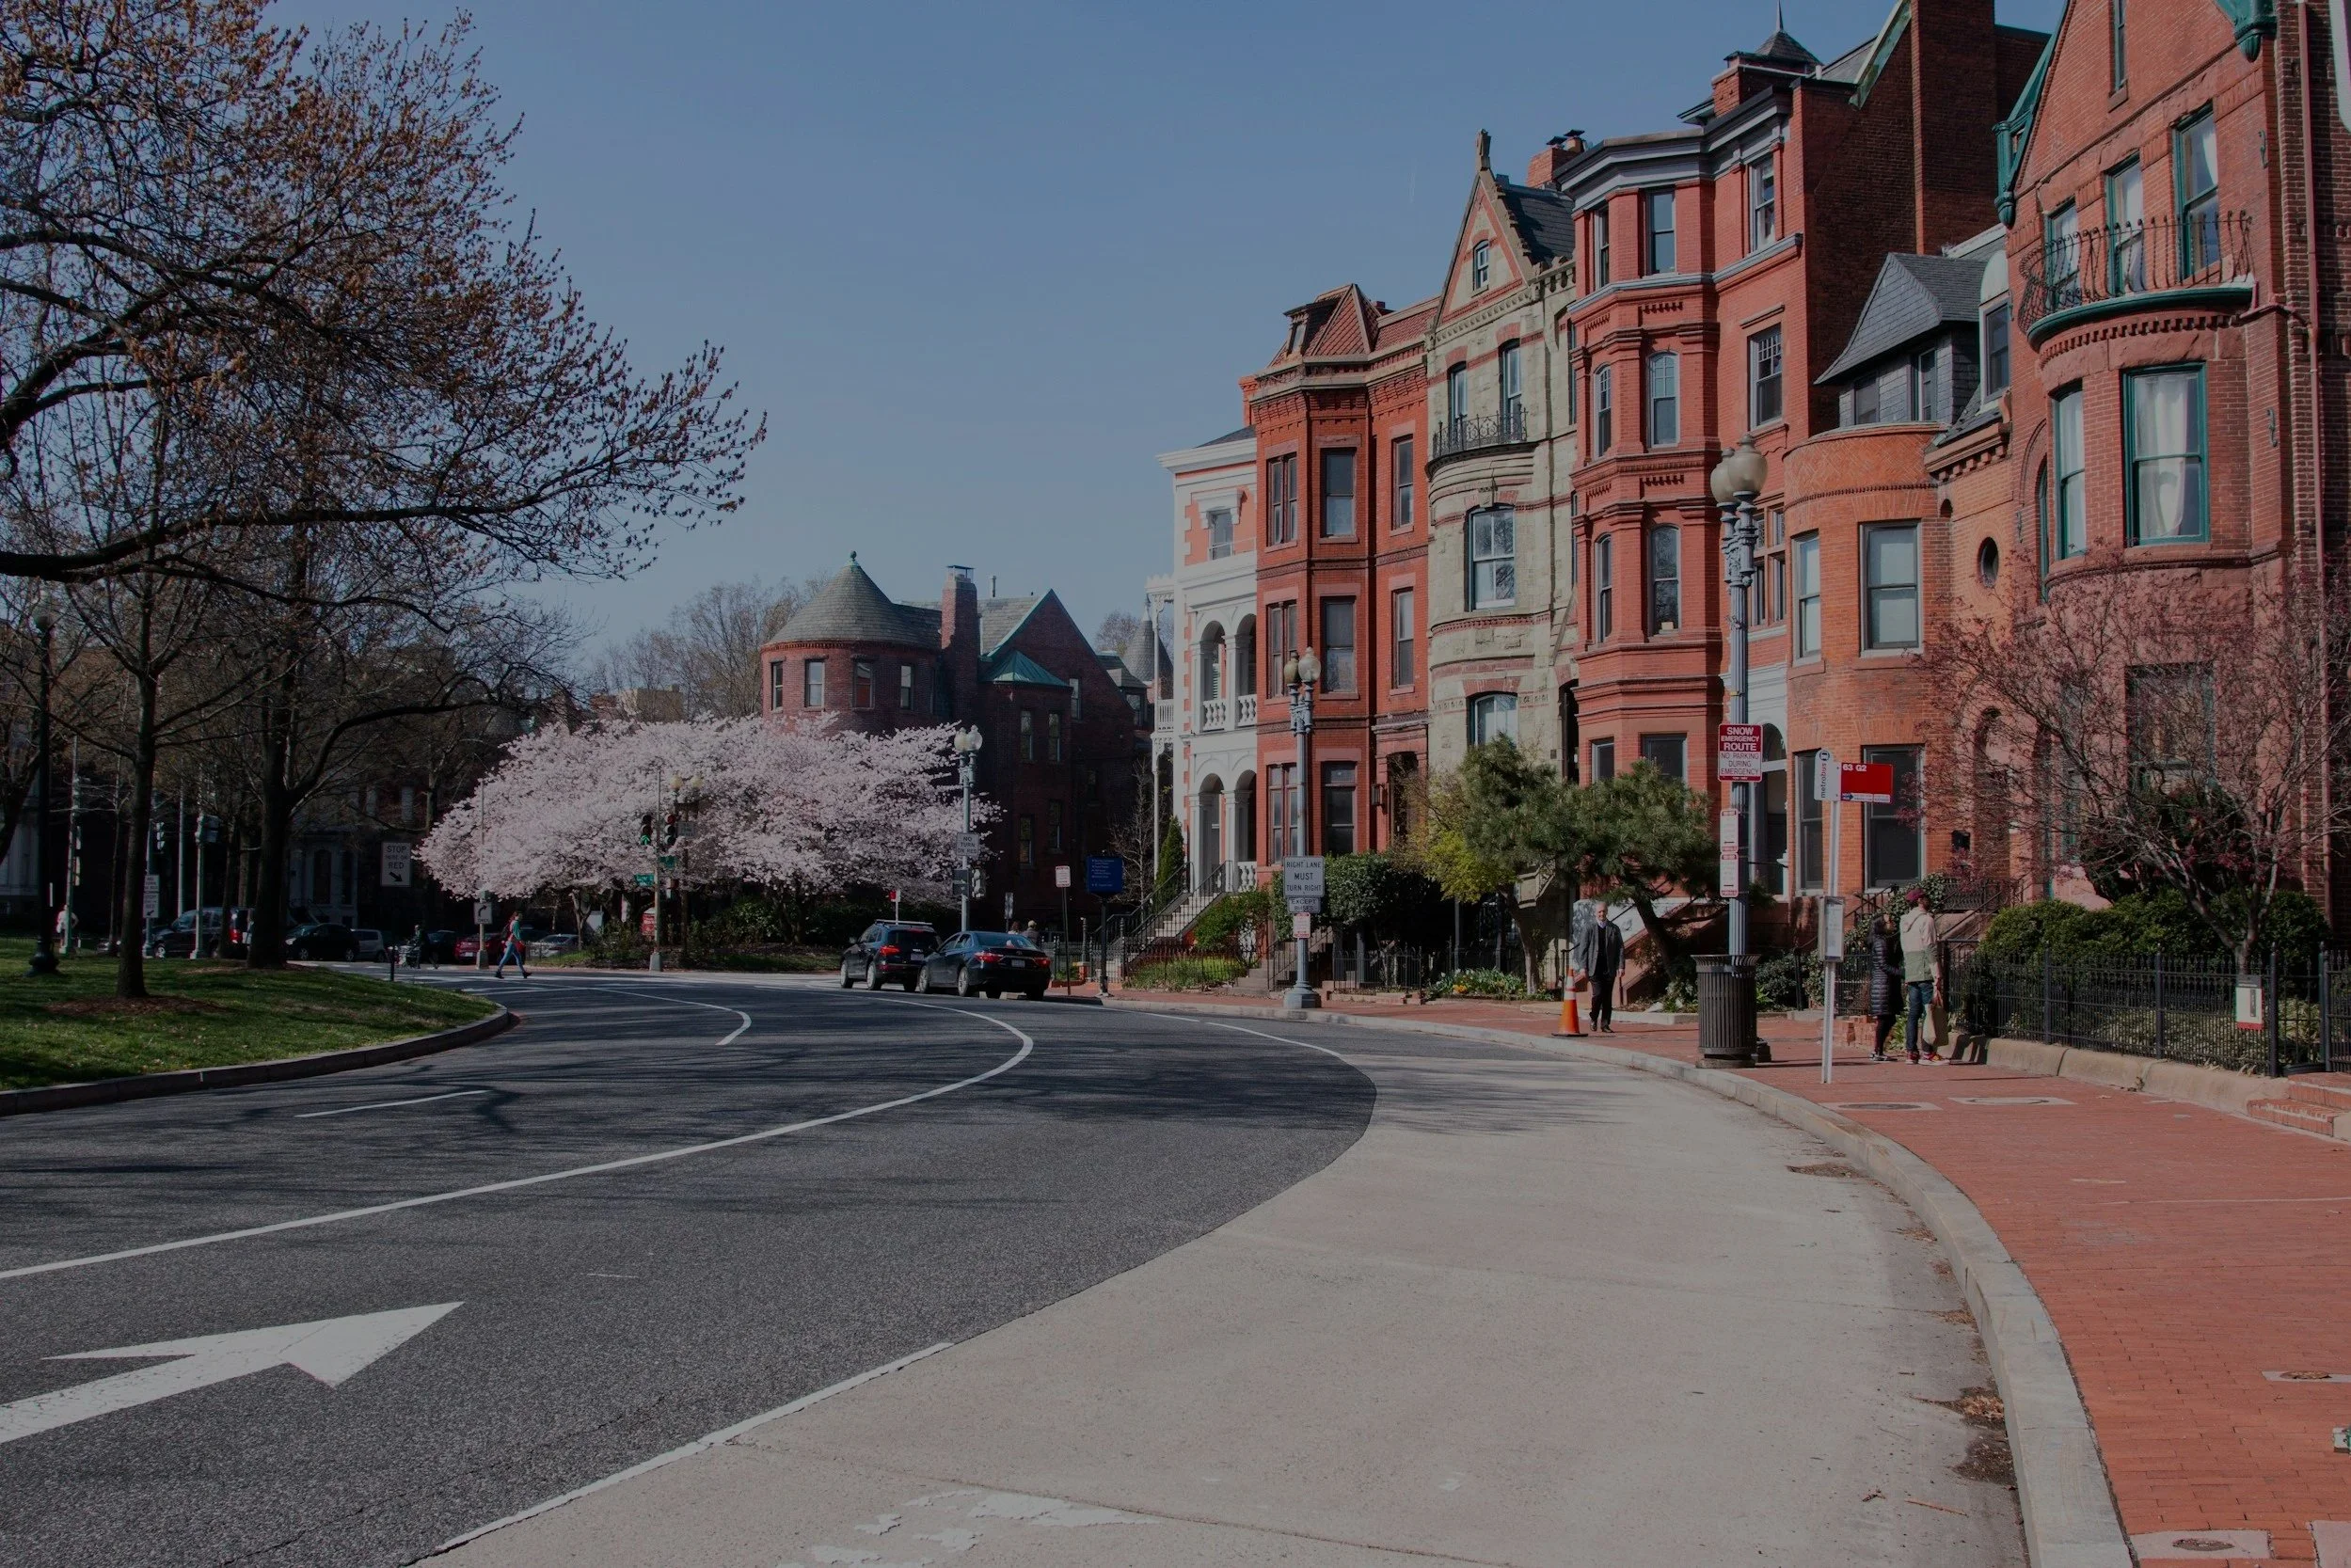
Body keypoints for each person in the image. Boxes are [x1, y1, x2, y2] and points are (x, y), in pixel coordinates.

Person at [1899, 887, 1939, 1063]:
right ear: (1919, 901)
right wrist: (1937, 973)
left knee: (1913, 1013)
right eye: (1925, 897)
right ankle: (1928, 1053)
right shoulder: (1926, 920)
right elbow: (1930, 948)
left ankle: (1911, 1052)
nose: (1928, 899)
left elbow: (1904, 948)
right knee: (1928, 1012)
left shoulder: (1904, 921)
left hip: (1911, 970)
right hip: (1924, 970)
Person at [1581, 900, 1624, 1033]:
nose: (1602, 914)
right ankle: (1593, 1017)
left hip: (1609, 967)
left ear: (1607, 912)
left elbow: (1620, 948)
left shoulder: (1614, 928)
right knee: (1598, 994)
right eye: (1599, 912)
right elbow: (1583, 948)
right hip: (1594, 967)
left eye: (1604, 911)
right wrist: (1583, 967)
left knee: (1607, 997)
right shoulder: (1589, 928)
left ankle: (1605, 1024)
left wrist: (1621, 966)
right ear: (1596, 913)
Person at [1868, 914, 1903, 1061]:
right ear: (1882, 925)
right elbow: (1883, 965)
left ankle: (1878, 1050)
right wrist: (1902, 973)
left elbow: (1893, 958)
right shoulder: (1880, 942)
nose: (1892, 923)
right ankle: (1877, 1051)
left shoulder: (1883, 941)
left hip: (1885, 984)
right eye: (1890, 921)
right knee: (1885, 1019)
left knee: (1889, 1019)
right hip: (1883, 985)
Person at [494, 910, 531, 980]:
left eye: (521, 916)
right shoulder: (516, 923)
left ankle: (524, 972)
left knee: (518, 957)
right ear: (516, 916)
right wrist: (521, 940)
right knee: (506, 957)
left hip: (512, 942)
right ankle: (498, 972)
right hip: (511, 942)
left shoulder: (512, 922)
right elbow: (517, 933)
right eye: (520, 916)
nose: (521, 917)